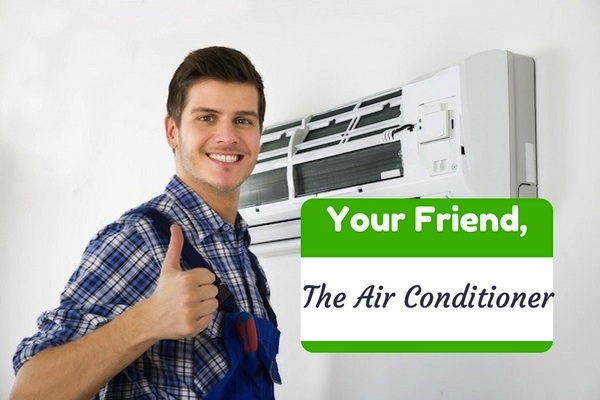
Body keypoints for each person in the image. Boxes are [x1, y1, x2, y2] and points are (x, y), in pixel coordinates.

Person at [10, 46, 281, 399]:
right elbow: (29, 392)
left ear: (259, 133)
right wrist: (146, 321)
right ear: (172, 131)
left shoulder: (242, 252)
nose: (227, 136)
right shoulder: (140, 239)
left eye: (243, 120)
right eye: (207, 118)